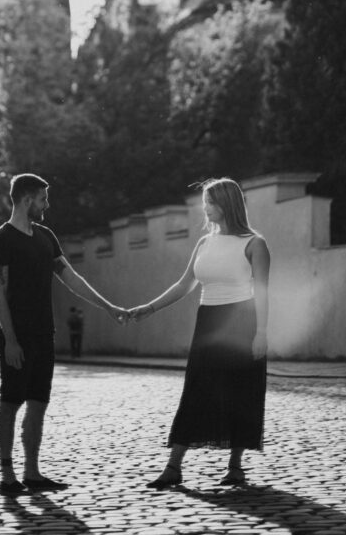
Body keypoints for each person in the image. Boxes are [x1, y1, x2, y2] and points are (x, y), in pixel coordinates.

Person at [0, 172, 126, 496]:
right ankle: (7, 475)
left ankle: (32, 472)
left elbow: (72, 278)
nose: (46, 205)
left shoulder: (46, 237)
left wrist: (108, 307)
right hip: (17, 336)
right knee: (10, 402)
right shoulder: (1, 240)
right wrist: (10, 340)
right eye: (43, 199)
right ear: (27, 200)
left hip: (43, 334)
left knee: (38, 403)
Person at [129, 177, 270, 488]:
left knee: (240, 392)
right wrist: (150, 308)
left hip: (241, 323)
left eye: (211, 202)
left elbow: (262, 291)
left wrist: (261, 332)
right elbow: (184, 284)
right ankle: (173, 467)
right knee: (196, 390)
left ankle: (235, 466)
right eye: (205, 202)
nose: (205, 208)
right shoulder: (205, 243)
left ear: (228, 204)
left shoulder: (254, 243)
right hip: (207, 322)